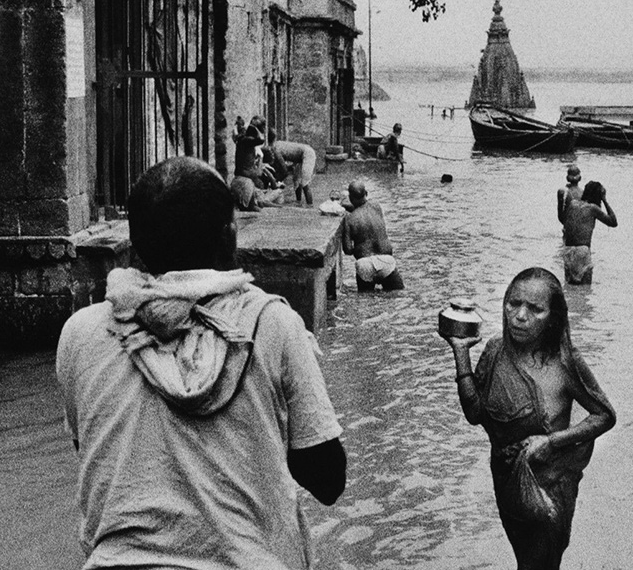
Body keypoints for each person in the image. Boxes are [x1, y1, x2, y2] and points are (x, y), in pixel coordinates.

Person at [56, 156, 347, 569]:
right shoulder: (272, 325)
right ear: (228, 236)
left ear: (134, 244)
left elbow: (89, 450)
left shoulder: (80, 334)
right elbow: (328, 481)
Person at [442, 267, 616, 570]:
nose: (520, 316)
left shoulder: (565, 362)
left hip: (549, 481)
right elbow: (475, 414)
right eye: (514, 303)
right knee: (525, 559)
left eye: (535, 309)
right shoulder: (496, 351)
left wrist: (551, 442)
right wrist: (460, 354)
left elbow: (604, 416)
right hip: (506, 475)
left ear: (553, 316)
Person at [340, 180, 405, 292]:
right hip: (387, 262)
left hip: (364, 264)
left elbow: (348, 250)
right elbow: (363, 208)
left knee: (366, 301)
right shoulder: (376, 206)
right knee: (397, 294)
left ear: (350, 198)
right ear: (367, 193)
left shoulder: (349, 220)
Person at [560, 180, 618, 285]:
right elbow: (613, 222)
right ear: (598, 196)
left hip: (567, 251)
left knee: (570, 288)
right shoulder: (593, 208)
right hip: (582, 251)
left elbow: (563, 220)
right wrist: (604, 199)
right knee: (585, 291)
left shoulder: (572, 204)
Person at [265, 127, 318, 206]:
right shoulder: (276, 145)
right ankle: (298, 202)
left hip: (308, 153)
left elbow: (284, 171)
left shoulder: (275, 149)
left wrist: (274, 182)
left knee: (304, 183)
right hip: (299, 157)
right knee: (296, 181)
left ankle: (310, 205)